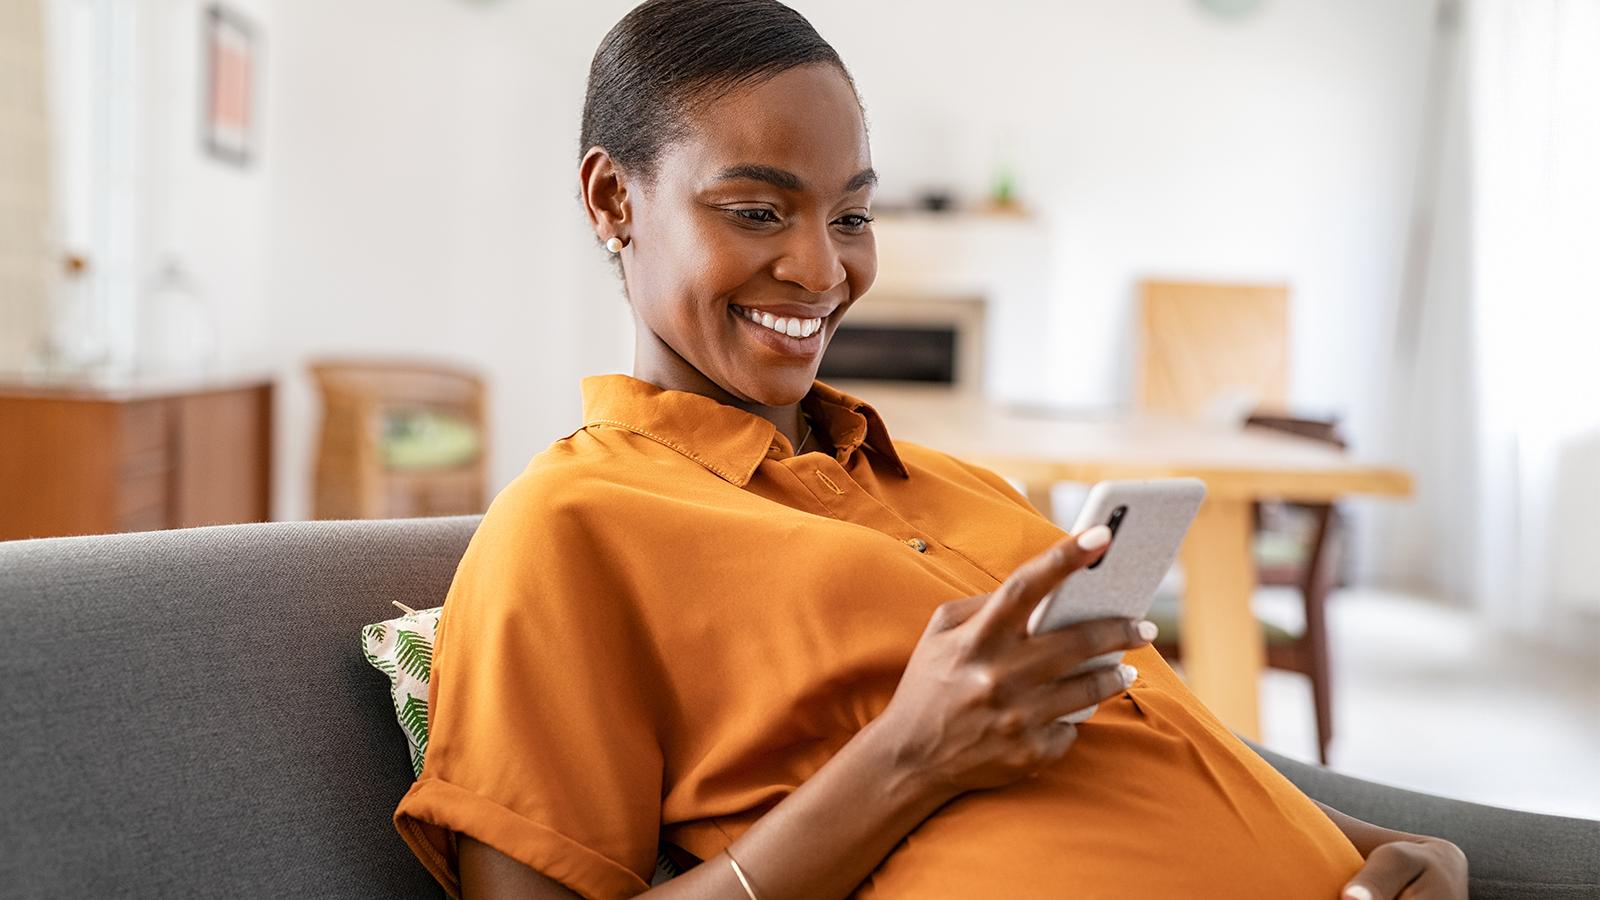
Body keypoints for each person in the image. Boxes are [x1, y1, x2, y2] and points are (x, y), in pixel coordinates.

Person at [392, 2, 1469, 897]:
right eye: (759, 211)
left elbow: (1140, 736)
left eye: (851, 218)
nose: (820, 273)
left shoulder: (962, 487)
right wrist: (906, 757)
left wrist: (1388, 846)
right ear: (613, 199)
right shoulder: (570, 528)